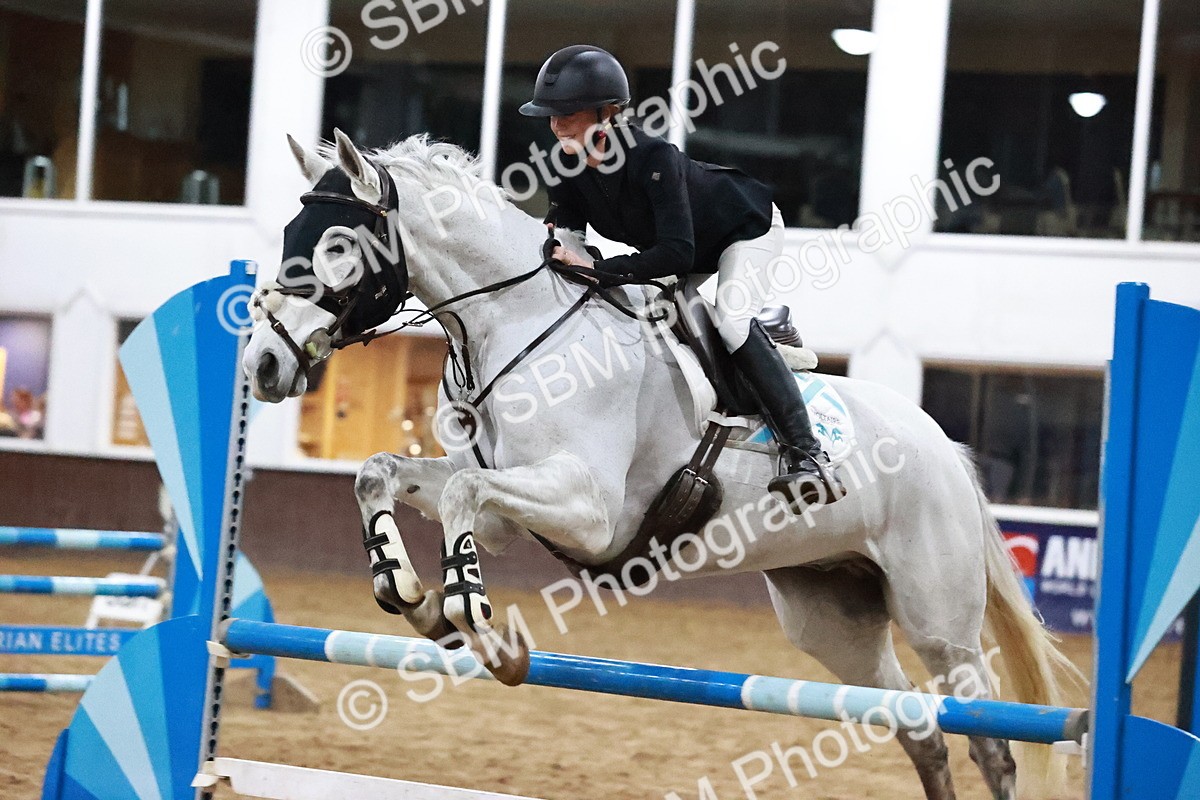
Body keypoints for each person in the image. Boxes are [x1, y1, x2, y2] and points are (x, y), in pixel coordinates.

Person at [519, 44, 844, 510]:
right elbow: (569, 238)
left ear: (608, 112)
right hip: (681, 245)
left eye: (567, 113)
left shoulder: (653, 157)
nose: (556, 125)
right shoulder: (566, 167)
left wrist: (598, 269)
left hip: (743, 228)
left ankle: (807, 454)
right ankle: (766, 339)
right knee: (650, 318)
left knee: (731, 321)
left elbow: (676, 253)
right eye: (551, 115)